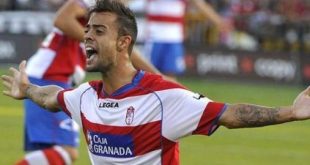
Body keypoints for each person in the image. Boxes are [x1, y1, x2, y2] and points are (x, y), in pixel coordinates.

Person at [2, 0, 310, 164]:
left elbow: (229, 114)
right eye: (88, 29)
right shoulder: (85, 97)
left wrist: (291, 112)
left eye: (98, 31)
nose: (86, 36)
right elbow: (52, 97)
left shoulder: (164, 99)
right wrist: (27, 89)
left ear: (123, 43)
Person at [15, 0, 162, 164]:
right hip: (50, 76)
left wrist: (157, 76)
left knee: (48, 153)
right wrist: (94, 40)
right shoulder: (92, 4)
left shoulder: (106, 17)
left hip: (49, 76)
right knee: (66, 152)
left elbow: (125, 52)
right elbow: (62, 19)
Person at [144, 0, 231, 79]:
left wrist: (219, 22)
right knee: (149, 74)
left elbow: (200, 4)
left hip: (174, 38)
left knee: (171, 75)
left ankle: (170, 96)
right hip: (154, 38)